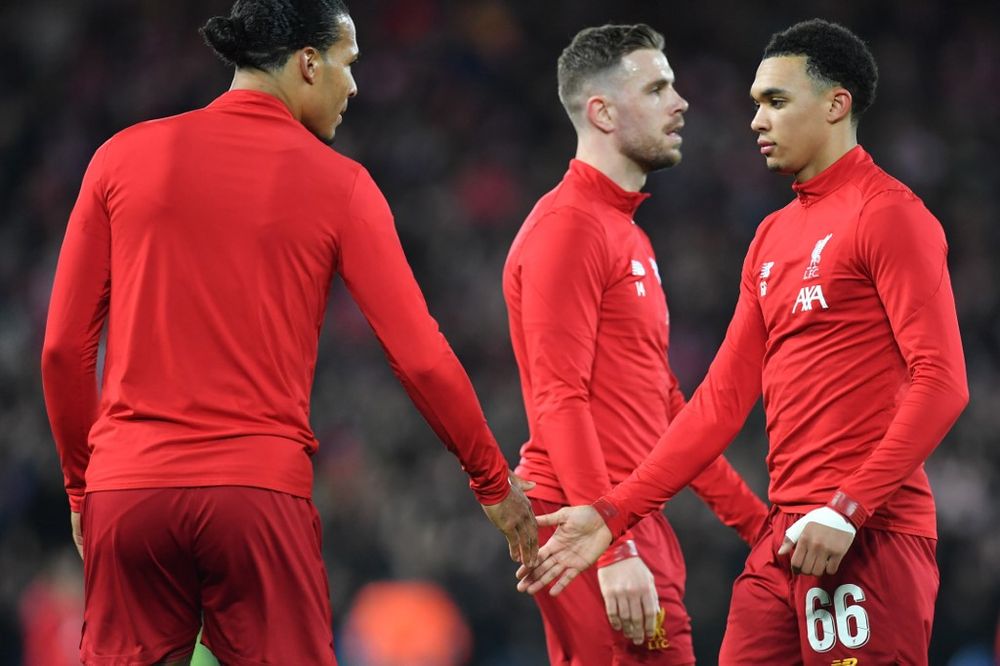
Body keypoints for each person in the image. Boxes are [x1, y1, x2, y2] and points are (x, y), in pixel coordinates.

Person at [40, 1, 537, 664]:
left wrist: (83, 488)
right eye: (348, 65)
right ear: (308, 63)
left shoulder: (119, 159)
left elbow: (62, 350)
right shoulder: (342, 185)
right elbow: (420, 359)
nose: (354, 86)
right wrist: (493, 483)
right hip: (255, 496)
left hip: (130, 492)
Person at [516, 18, 968, 666]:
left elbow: (942, 382)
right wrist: (614, 515)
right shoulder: (770, 238)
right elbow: (719, 403)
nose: (756, 120)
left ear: (836, 103)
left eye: (776, 102)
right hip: (785, 542)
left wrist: (848, 508)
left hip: (868, 536)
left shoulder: (889, 215)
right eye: (756, 103)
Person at [503, 23, 768, 665]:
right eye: (658, 87)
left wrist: (759, 528)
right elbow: (557, 395)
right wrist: (611, 543)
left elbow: (668, 413)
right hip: (588, 522)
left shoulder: (624, 233)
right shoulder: (569, 229)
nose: (680, 103)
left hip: (623, 516)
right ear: (602, 112)